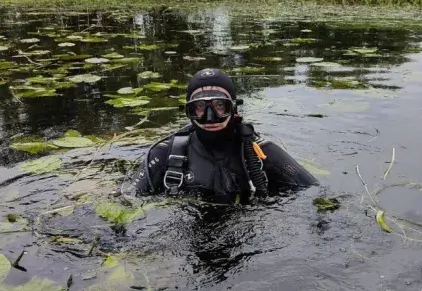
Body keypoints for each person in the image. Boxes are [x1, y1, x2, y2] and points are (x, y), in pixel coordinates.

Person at [131, 68, 319, 204]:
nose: (210, 117)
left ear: (234, 108)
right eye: (201, 107)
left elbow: (315, 194)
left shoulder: (260, 152)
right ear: (189, 111)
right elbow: (127, 200)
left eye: (220, 106)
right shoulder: (165, 154)